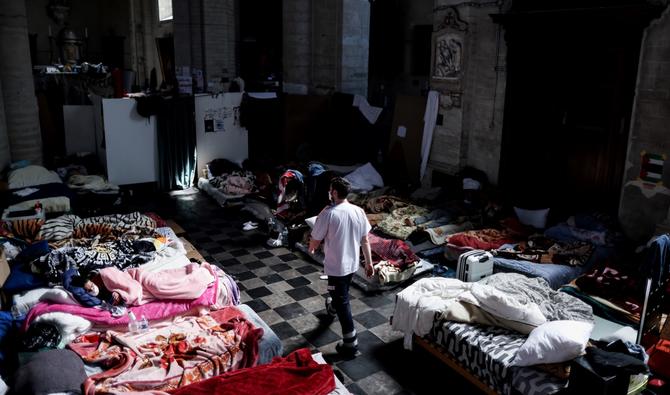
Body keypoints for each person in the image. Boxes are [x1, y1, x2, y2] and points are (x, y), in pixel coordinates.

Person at [309, 177, 374, 358]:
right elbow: (365, 240)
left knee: (342, 300)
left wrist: (312, 248)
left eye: (331, 190)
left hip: (336, 266)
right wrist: (369, 263)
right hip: (352, 264)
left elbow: (315, 239)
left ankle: (350, 343)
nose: (329, 193)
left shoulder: (328, 213)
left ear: (335, 193)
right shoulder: (358, 211)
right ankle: (332, 308)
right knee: (339, 292)